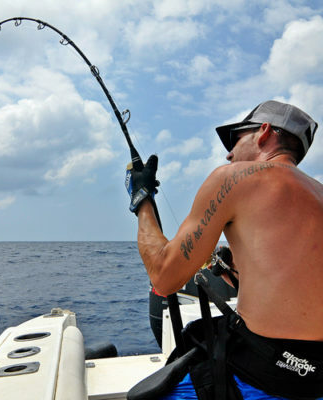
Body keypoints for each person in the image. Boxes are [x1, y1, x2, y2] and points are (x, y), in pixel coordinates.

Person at [126, 100, 323, 399]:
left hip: (269, 375)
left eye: (235, 139)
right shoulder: (318, 193)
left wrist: (142, 199)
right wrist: (231, 266)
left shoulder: (232, 177)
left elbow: (164, 278)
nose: (229, 153)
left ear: (264, 132)